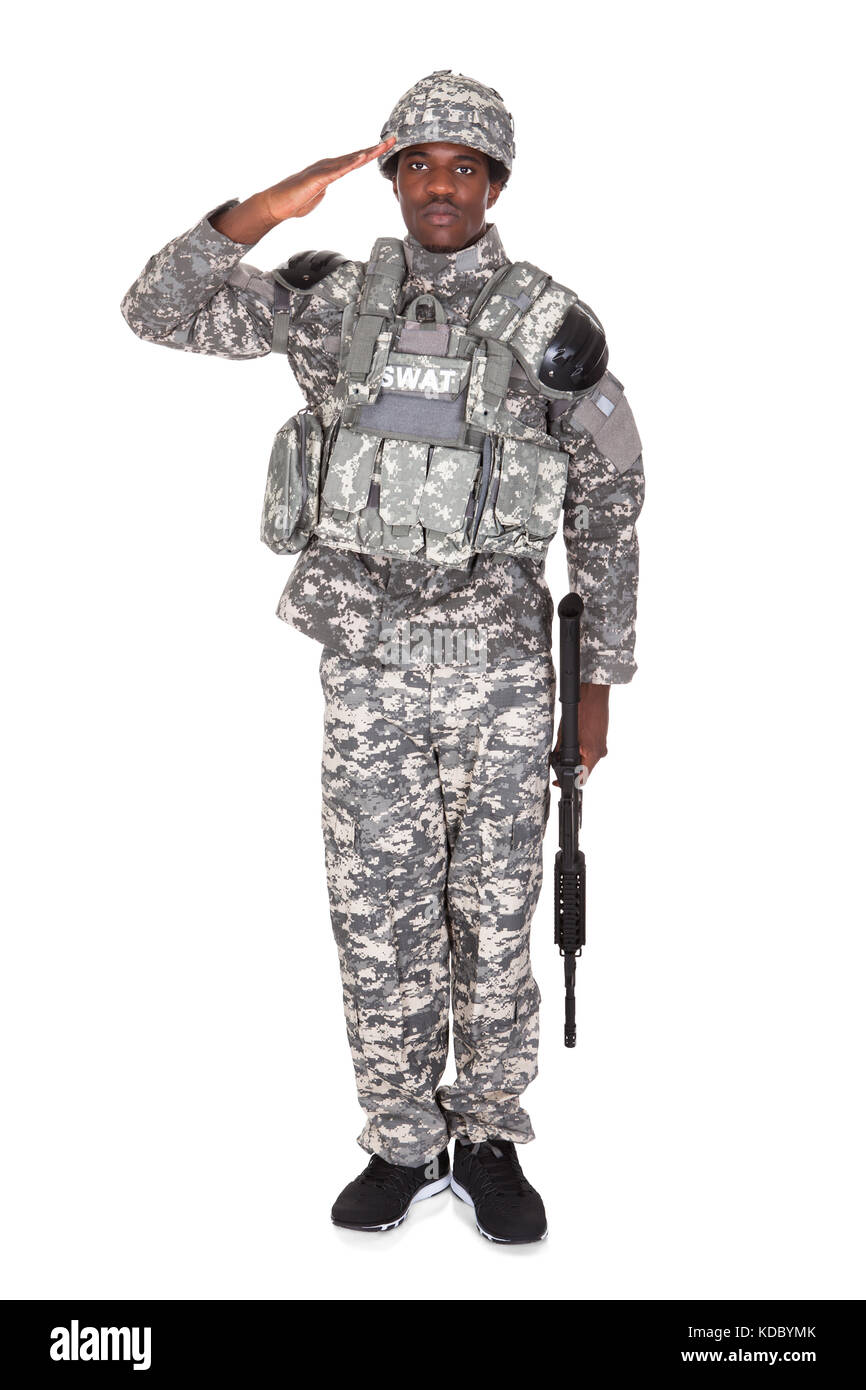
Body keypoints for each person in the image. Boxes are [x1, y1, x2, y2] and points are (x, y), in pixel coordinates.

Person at [120, 70, 644, 1246]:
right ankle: (403, 1136)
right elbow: (153, 310)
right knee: (377, 908)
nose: (441, 187)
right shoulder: (327, 304)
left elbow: (607, 506)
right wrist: (268, 206)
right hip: (366, 668)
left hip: (505, 670)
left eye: (465, 166)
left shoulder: (545, 324)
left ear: (496, 181)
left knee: (493, 905)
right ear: (393, 174)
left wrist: (595, 686)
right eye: (419, 164)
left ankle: (490, 1134)